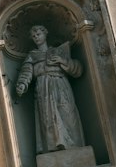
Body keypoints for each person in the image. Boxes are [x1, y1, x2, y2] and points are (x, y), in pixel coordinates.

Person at [14, 23, 86, 152]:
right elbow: (26, 72)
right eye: (34, 36)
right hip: (43, 88)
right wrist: (22, 84)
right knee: (48, 119)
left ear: (45, 34)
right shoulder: (32, 55)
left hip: (61, 85)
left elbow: (78, 69)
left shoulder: (59, 51)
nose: (36, 37)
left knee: (68, 114)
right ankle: (53, 148)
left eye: (38, 34)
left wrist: (62, 61)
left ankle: (75, 146)